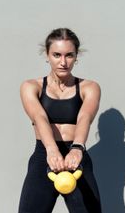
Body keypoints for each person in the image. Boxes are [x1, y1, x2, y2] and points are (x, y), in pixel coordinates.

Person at [18, 28, 102, 213]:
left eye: (69, 55)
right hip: (44, 157)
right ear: (47, 55)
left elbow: (84, 117)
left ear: (76, 56)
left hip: (76, 159)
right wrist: (52, 150)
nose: (63, 62)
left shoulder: (89, 87)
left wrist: (77, 148)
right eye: (57, 55)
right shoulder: (31, 86)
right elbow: (39, 117)